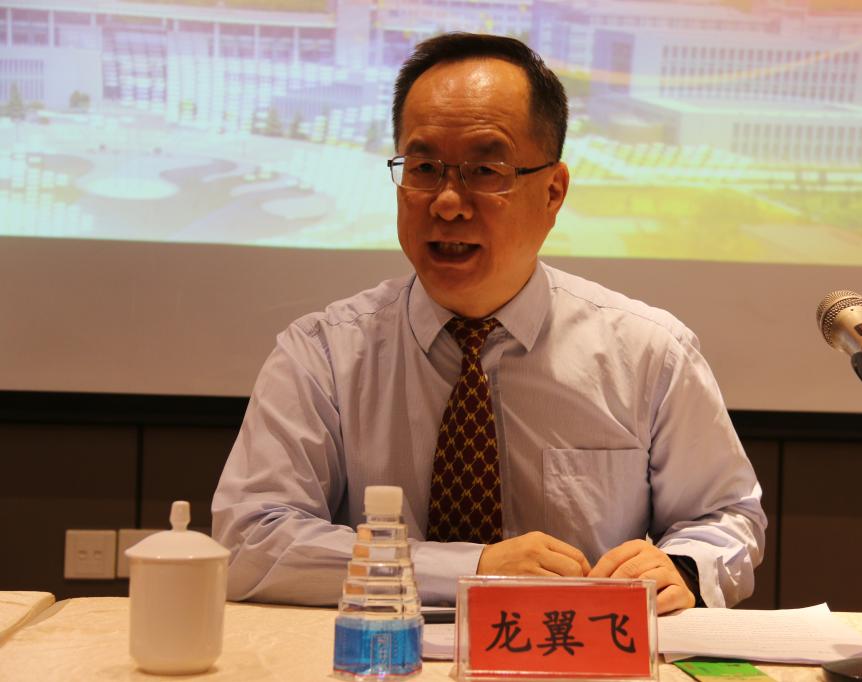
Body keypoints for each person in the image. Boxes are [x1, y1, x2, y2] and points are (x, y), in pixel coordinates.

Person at [212, 33, 765, 613]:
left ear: (552, 192)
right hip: (385, 654)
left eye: (484, 169)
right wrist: (472, 570)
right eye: (424, 168)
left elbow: (725, 515)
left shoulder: (649, 352)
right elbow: (251, 538)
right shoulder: (323, 354)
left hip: (576, 651)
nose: (447, 202)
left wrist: (683, 567)